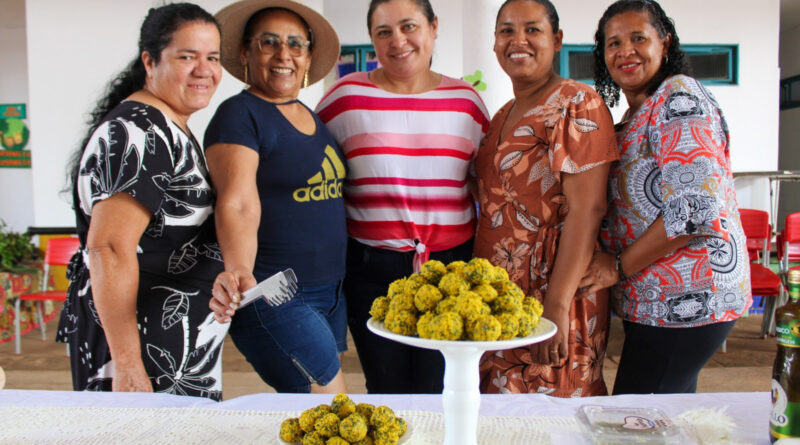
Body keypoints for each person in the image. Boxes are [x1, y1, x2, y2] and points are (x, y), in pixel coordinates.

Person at [316, 0, 490, 394]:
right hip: (371, 268)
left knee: (442, 387)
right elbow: (312, 171)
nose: (398, 41)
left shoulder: (467, 102)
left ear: (433, 28)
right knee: (386, 386)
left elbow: (486, 182)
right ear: (372, 40)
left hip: (452, 269)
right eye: (383, 32)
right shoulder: (344, 98)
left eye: (409, 26)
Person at [579, 0, 751, 394]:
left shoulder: (678, 98)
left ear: (665, 43)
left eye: (638, 38)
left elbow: (694, 211)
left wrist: (616, 267)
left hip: (690, 298)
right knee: (665, 418)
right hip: (658, 300)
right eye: (613, 42)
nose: (625, 51)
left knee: (635, 419)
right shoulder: (635, 114)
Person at [56, 3, 227, 400]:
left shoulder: (164, 124)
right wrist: (129, 368)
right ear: (150, 61)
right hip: (140, 353)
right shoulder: (138, 131)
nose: (204, 70)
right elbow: (109, 249)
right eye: (187, 56)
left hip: (165, 346)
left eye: (213, 57)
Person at [474, 0, 618, 397]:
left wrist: (554, 307)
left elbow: (588, 210)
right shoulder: (501, 114)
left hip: (554, 291)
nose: (518, 40)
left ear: (556, 40)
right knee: (500, 420)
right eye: (506, 30)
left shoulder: (577, 102)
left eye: (532, 29)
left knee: (552, 416)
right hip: (498, 295)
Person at [205, 0, 347, 394]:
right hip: (275, 290)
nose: (284, 55)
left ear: (308, 56)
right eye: (269, 43)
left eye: (295, 44)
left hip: (329, 290)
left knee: (313, 410)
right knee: (331, 405)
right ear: (246, 52)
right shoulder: (239, 115)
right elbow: (236, 201)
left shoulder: (307, 112)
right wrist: (239, 271)